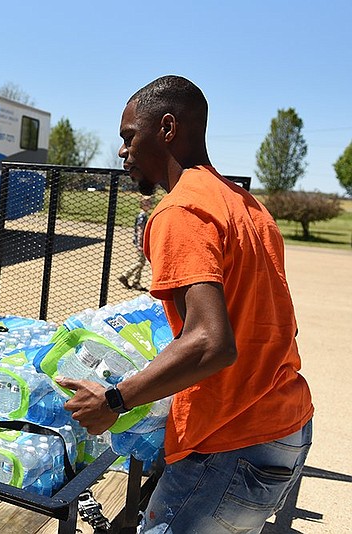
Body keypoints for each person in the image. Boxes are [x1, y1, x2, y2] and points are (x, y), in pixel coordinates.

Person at [56, 75, 313, 533]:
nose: (122, 152)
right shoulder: (246, 205)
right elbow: (263, 323)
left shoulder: (180, 211)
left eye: (129, 137)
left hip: (229, 442)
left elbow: (211, 342)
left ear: (168, 128)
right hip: (286, 426)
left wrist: (114, 399)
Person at [118, 195, 152, 291]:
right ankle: (125, 275)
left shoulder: (143, 215)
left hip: (140, 241)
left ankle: (136, 282)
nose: (150, 204)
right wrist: (140, 243)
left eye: (150, 202)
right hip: (140, 242)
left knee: (141, 262)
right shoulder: (142, 215)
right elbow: (140, 229)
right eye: (147, 202)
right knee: (141, 262)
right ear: (142, 204)